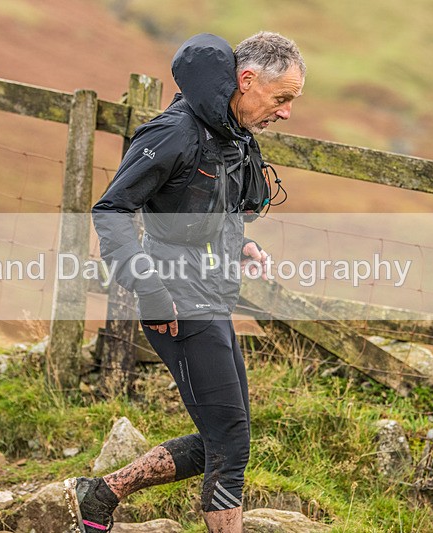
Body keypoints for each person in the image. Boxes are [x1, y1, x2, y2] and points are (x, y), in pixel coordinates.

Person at [65, 31, 305, 533]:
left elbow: (200, 209)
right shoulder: (173, 133)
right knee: (232, 441)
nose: (285, 112)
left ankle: (101, 494)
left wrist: (240, 246)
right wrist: (149, 290)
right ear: (247, 80)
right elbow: (111, 211)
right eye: (282, 98)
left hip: (211, 297)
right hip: (174, 300)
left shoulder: (232, 136)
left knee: (219, 436)